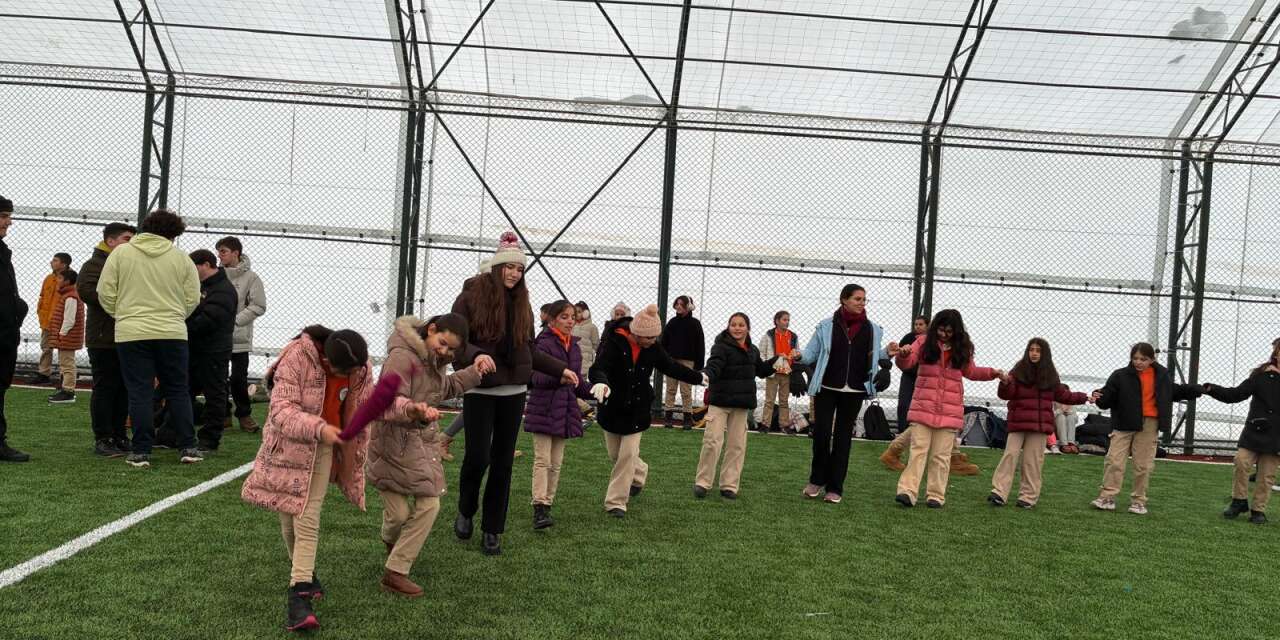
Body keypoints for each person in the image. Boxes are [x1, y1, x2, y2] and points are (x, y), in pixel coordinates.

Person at [241, 327, 373, 632]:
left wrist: (412, 411)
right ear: (326, 357)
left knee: (306, 515)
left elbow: (370, 403)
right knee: (289, 513)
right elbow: (281, 412)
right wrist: (320, 427)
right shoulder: (297, 356)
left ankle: (299, 596)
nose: (349, 376)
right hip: (288, 446)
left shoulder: (360, 368)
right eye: (341, 370)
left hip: (323, 448)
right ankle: (305, 575)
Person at [449, 232, 573, 556]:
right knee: (477, 457)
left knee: (503, 462)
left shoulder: (524, 304)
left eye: (519, 270)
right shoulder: (469, 296)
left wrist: (559, 369)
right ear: (497, 266)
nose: (515, 274)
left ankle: (493, 529)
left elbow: (529, 348)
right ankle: (465, 509)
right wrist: (476, 354)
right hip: (480, 387)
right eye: (509, 268)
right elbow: (456, 339)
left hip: (514, 391)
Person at [367, 314, 492, 596]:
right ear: (432, 329)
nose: (445, 352)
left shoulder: (433, 361)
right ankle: (393, 545)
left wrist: (475, 371)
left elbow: (442, 389)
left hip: (419, 445)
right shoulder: (402, 357)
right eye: (443, 344)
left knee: (429, 505)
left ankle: (395, 571)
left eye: (451, 350)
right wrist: (413, 410)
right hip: (391, 445)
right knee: (398, 515)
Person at [97, 209, 202, 468]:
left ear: (145, 227)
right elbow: (193, 298)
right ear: (173, 234)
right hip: (172, 331)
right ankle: (188, 445)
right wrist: (176, 316)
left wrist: (123, 314)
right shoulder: (181, 258)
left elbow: (105, 291)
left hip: (131, 332)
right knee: (178, 389)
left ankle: (141, 450)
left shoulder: (121, 253)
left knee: (139, 391)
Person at [590, 304, 703, 517]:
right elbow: (598, 367)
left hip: (638, 408)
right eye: (650, 338)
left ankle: (616, 503)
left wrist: (698, 377)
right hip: (612, 407)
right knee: (617, 455)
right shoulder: (612, 342)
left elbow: (670, 366)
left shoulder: (652, 347)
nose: (654, 341)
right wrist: (600, 382)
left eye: (655, 337)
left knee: (626, 455)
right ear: (637, 334)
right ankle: (640, 472)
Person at [794, 284, 899, 504]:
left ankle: (835, 487)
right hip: (826, 388)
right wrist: (797, 356)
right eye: (857, 299)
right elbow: (811, 353)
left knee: (843, 439)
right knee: (821, 435)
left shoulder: (873, 329)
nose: (862, 303)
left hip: (855, 390)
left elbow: (872, 356)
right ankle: (816, 480)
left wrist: (887, 353)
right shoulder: (825, 326)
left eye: (864, 299)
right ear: (844, 300)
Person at [893, 309, 1005, 509]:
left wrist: (992, 373)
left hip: (949, 412)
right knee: (918, 451)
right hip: (923, 408)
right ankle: (907, 492)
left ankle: (935, 495)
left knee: (941, 456)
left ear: (957, 331)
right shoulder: (922, 342)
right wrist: (903, 354)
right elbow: (907, 363)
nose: (944, 334)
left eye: (949, 331)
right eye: (941, 330)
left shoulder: (963, 348)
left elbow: (971, 371)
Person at [1089, 342, 1201, 515]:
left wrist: (1197, 389)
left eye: (1143, 359)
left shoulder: (1162, 375)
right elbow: (1107, 395)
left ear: (1152, 359)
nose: (1139, 362)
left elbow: (1174, 391)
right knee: (1114, 461)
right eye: (1135, 358)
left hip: (1150, 424)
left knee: (1143, 465)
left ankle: (1138, 501)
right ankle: (1107, 497)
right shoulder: (1120, 375)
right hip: (1123, 424)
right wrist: (1098, 395)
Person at [989, 338, 1089, 509]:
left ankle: (1028, 497)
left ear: (1044, 354)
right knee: (1010, 456)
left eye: (1038, 350)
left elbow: (1063, 395)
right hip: (1018, 423)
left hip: (1039, 426)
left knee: (1033, 461)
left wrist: (1085, 397)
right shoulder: (1017, 371)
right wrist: (1004, 383)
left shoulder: (1050, 374)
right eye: (1031, 350)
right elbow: (1006, 394)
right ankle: (999, 492)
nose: (1034, 353)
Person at [524, 301, 595, 529]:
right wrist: (559, 378)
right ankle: (539, 507)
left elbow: (577, 382)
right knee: (542, 460)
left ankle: (547, 504)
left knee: (556, 463)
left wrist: (595, 389)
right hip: (543, 409)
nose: (570, 321)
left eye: (572, 317)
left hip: (564, 410)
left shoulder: (574, 346)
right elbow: (534, 379)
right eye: (564, 317)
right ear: (552, 320)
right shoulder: (542, 344)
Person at [695, 312, 781, 500]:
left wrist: (776, 361)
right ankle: (703, 482)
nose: (737, 328)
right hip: (719, 403)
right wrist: (705, 374)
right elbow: (714, 366)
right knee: (712, 442)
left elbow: (761, 370)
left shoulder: (753, 350)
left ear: (747, 328)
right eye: (733, 324)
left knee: (737, 445)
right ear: (728, 326)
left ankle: (729, 485)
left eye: (741, 325)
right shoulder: (720, 347)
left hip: (741, 405)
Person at [1205, 338, 1280, 525]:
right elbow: (1235, 394)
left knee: (1267, 475)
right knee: (1241, 461)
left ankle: (1258, 510)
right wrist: (1212, 389)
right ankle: (1239, 501)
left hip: (1277, 435)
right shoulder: (1260, 376)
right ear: (1276, 354)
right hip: (1255, 430)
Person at [78, 222, 136, 457]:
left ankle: (119, 434)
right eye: (126, 239)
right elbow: (88, 292)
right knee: (105, 388)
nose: (131, 244)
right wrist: (124, 299)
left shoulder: (127, 263)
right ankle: (103, 437)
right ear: (110, 241)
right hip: (103, 337)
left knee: (123, 389)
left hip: (126, 335)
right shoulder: (94, 264)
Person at [185, 250, 237, 452]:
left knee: (214, 393)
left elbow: (208, 320)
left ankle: (209, 438)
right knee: (184, 390)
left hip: (214, 351)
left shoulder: (223, 290)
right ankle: (172, 432)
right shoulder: (205, 288)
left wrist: (182, 328)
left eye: (193, 268)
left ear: (206, 265)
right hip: (197, 349)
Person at [217, 236, 267, 433]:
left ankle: (244, 415)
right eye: (219, 251)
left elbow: (259, 305)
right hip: (216, 337)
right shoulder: (216, 275)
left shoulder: (251, 278)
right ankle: (223, 415)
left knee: (238, 378)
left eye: (223, 251)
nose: (219, 255)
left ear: (235, 253)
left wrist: (235, 321)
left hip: (239, 338)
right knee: (217, 377)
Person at [879, 316, 933, 470]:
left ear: (928, 326)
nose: (917, 326)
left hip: (924, 379)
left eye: (921, 324)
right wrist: (903, 355)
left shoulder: (932, 341)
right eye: (915, 324)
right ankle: (901, 434)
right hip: (909, 376)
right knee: (904, 405)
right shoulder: (909, 338)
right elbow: (899, 356)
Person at [0, 196, 31, 462]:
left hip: (5, 336)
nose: (8, 222)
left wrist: (18, 309)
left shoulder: (3, 252)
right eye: (3, 216)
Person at [661, 295, 705, 429]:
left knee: (686, 390)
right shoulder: (672, 322)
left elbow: (700, 344)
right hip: (671, 361)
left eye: (682, 304)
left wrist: (699, 364)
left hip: (688, 362)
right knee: (670, 388)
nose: (679, 306)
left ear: (689, 306)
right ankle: (668, 417)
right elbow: (664, 342)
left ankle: (687, 417)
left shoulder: (695, 324)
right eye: (677, 304)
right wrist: (664, 359)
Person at [44, 268, 84, 404]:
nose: (58, 281)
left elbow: (69, 319)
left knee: (67, 364)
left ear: (67, 281)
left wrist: (62, 333)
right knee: (65, 363)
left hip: (67, 336)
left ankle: (68, 391)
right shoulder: (69, 295)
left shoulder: (71, 296)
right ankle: (65, 389)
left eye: (60, 279)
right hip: (66, 336)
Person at [33, 252, 72, 386]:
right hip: (47, 321)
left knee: (64, 350)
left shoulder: (71, 279)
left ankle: (64, 378)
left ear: (64, 264)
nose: (51, 262)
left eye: (55, 260)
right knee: (46, 348)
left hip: (62, 322)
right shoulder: (49, 278)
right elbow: (42, 297)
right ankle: (44, 373)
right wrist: (41, 314)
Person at [758, 310, 798, 432]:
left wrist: (793, 356)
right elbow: (761, 352)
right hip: (773, 372)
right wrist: (766, 366)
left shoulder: (793, 336)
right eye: (784, 319)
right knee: (769, 400)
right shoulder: (768, 335)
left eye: (788, 320)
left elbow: (796, 352)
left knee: (784, 400)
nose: (787, 322)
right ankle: (765, 424)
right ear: (777, 321)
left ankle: (784, 425)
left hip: (786, 372)